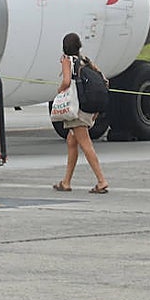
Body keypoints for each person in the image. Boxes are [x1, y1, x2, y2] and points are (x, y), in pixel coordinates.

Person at [53, 32, 110, 194]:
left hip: (77, 109)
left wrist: (60, 91)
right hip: (88, 107)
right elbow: (103, 78)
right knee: (72, 141)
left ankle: (101, 181)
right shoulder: (85, 60)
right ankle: (66, 182)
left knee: (86, 145)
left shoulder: (66, 60)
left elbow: (65, 81)